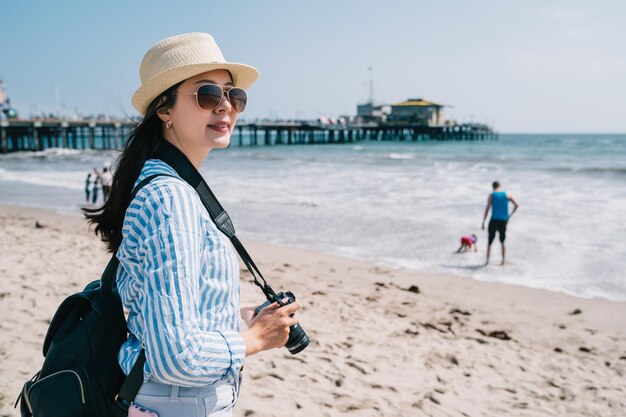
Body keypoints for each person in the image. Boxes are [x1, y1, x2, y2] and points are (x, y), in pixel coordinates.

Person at [83, 32, 301, 417]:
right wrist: (252, 339)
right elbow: (173, 356)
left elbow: (164, 310)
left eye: (233, 96)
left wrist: (232, 313)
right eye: (206, 95)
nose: (225, 108)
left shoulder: (167, 183)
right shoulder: (171, 198)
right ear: (163, 110)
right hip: (179, 405)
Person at [481, 181, 519, 265]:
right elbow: (517, 205)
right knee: (502, 241)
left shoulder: (492, 195)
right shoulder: (507, 195)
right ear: (500, 186)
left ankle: (487, 261)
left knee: (490, 242)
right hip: (503, 221)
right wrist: (509, 216)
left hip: (494, 220)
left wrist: (483, 221)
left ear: (493, 187)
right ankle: (503, 261)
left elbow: (487, 209)